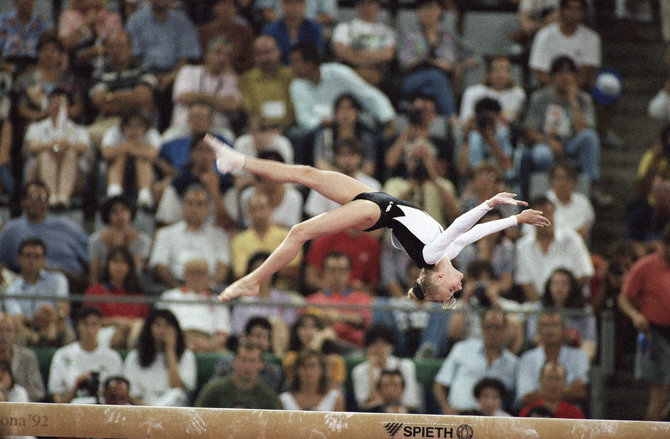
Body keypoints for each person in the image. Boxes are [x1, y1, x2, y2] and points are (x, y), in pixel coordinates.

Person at [205, 134, 550, 305]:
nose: (457, 288)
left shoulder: (431, 257)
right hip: (378, 199)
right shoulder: (451, 253)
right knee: (306, 173)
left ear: (437, 276)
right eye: (454, 291)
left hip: (375, 212)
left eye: (449, 290)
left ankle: (254, 280)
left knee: (299, 231)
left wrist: (489, 202)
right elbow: (472, 232)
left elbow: (461, 223)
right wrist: (516, 221)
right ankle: (238, 161)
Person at [521, 55, 600, 200]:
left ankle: (591, 187)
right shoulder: (540, 97)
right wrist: (549, 142)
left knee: (590, 137)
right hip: (546, 144)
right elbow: (530, 131)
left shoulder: (583, 99)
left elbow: (584, 130)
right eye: (560, 72)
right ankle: (543, 195)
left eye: (569, 72)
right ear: (551, 77)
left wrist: (573, 101)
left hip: (571, 145)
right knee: (541, 155)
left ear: (575, 77)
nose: (564, 77)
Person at [618, 224, 670, 420]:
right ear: (662, 245)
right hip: (655, 333)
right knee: (660, 392)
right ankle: (651, 432)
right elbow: (624, 298)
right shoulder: (645, 266)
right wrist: (635, 315)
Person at [0, 181, 89, 293]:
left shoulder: (67, 226)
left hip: (71, 283)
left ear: (47, 202)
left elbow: (91, 258)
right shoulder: (11, 230)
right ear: (23, 201)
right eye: (33, 197)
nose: (37, 202)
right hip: (29, 287)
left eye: (42, 198)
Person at [125, 0, 202, 130]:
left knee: (176, 89)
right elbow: (132, 54)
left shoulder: (182, 22)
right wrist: (147, 75)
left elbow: (187, 56)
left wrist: (171, 75)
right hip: (144, 70)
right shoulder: (136, 20)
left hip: (174, 71)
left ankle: (173, 131)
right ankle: (143, 131)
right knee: (143, 90)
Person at [397, 0, 478, 116]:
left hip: (442, 82)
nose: (427, 12)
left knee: (434, 85)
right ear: (418, 12)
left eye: (431, 8)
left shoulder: (449, 37)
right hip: (413, 79)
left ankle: (421, 107)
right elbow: (404, 63)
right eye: (423, 8)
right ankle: (452, 117)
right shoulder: (409, 35)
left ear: (440, 11)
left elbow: (475, 55)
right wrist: (430, 62)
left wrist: (458, 66)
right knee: (435, 76)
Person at [433, 308, 518, 414]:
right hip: (459, 414)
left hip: (494, 420)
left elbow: (513, 400)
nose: (492, 332)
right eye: (488, 327)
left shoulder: (513, 363)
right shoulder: (462, 349)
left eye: (497, 327)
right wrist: (447, 409)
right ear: (481, 328)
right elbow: (439, 385)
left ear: (505, 330)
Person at [148, 183, 231, 289]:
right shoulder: (165, 234)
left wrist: (209, 287)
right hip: (175, 287)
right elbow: (159, 265)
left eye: (200, 204)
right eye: (190, 203)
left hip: (210, 288)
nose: (194, 208)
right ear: (182, 205)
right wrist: (178, 289)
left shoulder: (220, 236)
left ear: (208, 208)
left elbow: (223, 266)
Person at [515, 196, 593, 302]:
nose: (545, 219)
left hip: (572, 304)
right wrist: (545, 306)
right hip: (539, 307)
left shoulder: (571, 239)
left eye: (548, 213)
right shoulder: (523, 246)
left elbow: (584, 273)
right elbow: (525, 283)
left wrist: (563, 301)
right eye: (540, 215)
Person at [23, 87, 91, 209]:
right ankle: (52, 196)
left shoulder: (78, 129)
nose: (57, 107)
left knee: (70, 152)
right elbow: (33, 147)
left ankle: (63, 198)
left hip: (74, 178)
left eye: (60, 104)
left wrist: (67, 144)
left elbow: (83, 148)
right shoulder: (36, 127)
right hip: (38, 175)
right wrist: (50, 145)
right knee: (45, 154)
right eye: (53, 103)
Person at [87, 29, 156, 147]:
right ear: (106, 49)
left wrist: (110, 96)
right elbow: (99, 102)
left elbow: (141, 98)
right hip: (107, 123)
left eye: (121, 46)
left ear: (130, 48)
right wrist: (131, 97)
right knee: (85, 138)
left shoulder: (143, 70)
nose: (116, 51)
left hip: (139, 124)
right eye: (112, 46)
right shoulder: (99, 73)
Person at [169, 36, 241, 138]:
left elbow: (233, 106)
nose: (222, 58)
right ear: (207, 54)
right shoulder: (188, 71)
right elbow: (183, 97)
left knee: (230, 138)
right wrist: (218, 102)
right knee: (168, 138)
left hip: (217, 130)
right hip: (184, 128)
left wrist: (198, 96)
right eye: (218, 52)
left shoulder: (230, 79)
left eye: (228, 55)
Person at [48, 306, 123, 404]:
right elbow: (57, 399)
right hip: (72, 408)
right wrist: (76, 386)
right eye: (85, 324)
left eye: (94, 324)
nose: (90, 330)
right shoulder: (62, 355)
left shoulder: (113, 357)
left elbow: (120, 397)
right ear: (78, 326)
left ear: (100, 326)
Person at [122, 308, 197, 406]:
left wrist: (170, 350)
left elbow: (177, 388)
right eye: (158, 325)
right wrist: (149, 412)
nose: (162, 331)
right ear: (149, 328)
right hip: (142, 408)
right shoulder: (134, 356)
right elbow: (132, 393)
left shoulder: (186, 356)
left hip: (173, 410)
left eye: (167, 325)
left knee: (176, 394)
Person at [515, 311, 590, 408]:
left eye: (555, 325)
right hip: (536, 416)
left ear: (564, 330)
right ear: (538, 330)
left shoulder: (579, 356)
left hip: (570, 417)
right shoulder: (527, 358)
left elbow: (581, 392)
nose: (550, 330)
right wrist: (566, 391)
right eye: (545, 326)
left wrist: (542, 393)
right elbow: (525, 398)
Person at [158, 257, 231, 352]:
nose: (197, 277)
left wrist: (208, 345)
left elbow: (223, 334)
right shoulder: (169, 296)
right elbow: (159, 325)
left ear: (209, 276)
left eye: (201, 273)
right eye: (193, 273)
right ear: (184, 274)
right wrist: (177, 342)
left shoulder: (218, 301)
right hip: (174, 342)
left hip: (208, 344)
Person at [83, 246, 149, 349]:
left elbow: (145, 320)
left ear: (129, 267)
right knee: (124, 330)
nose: (119, 267)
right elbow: (86, 320)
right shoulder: (95, 291)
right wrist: (116, 321)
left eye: (123, 262)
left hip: (134, 332)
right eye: (115, 262)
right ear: (108, 265)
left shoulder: (138, 294)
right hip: (102, 332)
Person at [526, 268, 597, 362]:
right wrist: (557, 336)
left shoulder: (585, 309)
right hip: (547, 344)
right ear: (549, 286)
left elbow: (590, 338)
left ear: (572, 287)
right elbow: (533, 336)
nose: (559, 288)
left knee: (588, 348)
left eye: (564, 284)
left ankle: (579, 371)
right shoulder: (538, 307)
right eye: (555, 284)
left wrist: (573, 338)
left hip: (575, 348)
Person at [305, 252, 373, 347]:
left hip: (353, 348)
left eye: (342, 270)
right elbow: (305, 324)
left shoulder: (361, 298)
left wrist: (339, 317)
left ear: (349, 273)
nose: (337, 275)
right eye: (332, 270)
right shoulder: (312, 300)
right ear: (324, 272)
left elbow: (363, 320)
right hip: (321, 350)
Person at [528, 0, 600, 89]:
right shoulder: (544, 35)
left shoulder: (592, 38)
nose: (573, 13)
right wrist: (559, 92)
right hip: (549, 90)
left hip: (578, 90)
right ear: (561, 10)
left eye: (577, 9)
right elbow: (541, 75)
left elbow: (584, 76)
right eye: (569, 8)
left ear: (583, 13)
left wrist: (569, 92)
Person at [352, 323, 422, 411]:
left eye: (384, 344)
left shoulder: (405, 366)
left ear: (391, 346)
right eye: (375, 344)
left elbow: (411, 401)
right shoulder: (359, 371)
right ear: (368, 346)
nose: (379, 348)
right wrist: (371, 371)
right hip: (374, 416)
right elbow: (365, 405)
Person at [194, 342, 282, 409]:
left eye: (252, 361)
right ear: (234, 361)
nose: (247, 366)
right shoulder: (214, 390)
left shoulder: (268, 397)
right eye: (243, 360)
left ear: (261, 364)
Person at [100, 109, 159, 209]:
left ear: (145, 127)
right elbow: (106, 153)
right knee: (120, 157)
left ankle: (144, 196)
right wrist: (128, 146)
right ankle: (114, 193)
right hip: (115, 168)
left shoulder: (152, 134)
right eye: (130, 126)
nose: (134, 130)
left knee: (141, 159)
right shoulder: (113, 132)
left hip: (144, 170)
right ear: (123, 127)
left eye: (138, 126)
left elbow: (152, 154)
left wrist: (131, 150)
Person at [88, 195, 152, 284]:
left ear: (130, 213)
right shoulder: (95, 240)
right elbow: (94, 276)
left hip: (132, 287)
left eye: (124, 210)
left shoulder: (142, 240)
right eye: (114, 212)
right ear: (107, 215)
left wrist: (119, 247)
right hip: (104, 286)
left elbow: (135, 273)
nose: (120, 216)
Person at [332, 0, 395, 87]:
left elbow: (387, 55)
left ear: (378, 5)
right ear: (356, 6)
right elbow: (342, 52)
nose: (366, 8)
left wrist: (357, 52)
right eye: (362, 4)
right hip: (350, 71)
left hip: (377, 74)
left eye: (370, 4)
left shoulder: (387, 31)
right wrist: (372, 58)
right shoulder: (344, 27)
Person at [239, 35, 295, 130]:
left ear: (278, 52)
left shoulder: (290, 76)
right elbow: (248, 110)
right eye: (259, 54)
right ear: (253, 56)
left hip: (287, 127)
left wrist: (281, 128)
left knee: (298, 135)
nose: (265, 58)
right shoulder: (246, 79)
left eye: (269, 52)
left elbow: (295, 108)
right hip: (259, 127)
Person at [58, 0, 122, 77]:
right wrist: (86, 24)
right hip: (75, 70)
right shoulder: (68, 16)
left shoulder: (111, 17)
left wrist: (96, 51)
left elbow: (118, 45)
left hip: (107, 68)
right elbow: (65, 45)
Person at [282, 313, 347, 390]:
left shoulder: (335, 359)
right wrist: (317, 341)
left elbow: (336, 393)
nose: (308, 331)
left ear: (320, 331)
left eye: (313, 327)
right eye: (303, 326)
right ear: (296, 331)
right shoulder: (290, 357)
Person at [459, 55, 527, 126]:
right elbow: (465, 122)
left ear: (510, 74)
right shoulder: (472, 92)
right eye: (496, 71)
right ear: (487, 74)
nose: (501, 75)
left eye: (505, 70)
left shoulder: (518, 93)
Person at [197, 0, 254, 73]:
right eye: (222, 4)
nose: (226, 8)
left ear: (235, 9)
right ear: (214, 8)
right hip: (208, 73)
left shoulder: (245, 32)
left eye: (230, 5)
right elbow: (199, 59)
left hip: (237, 75)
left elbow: (249, 61)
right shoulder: (202, 32)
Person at [546, 161, 595, 242]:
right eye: (559, 178)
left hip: (575, 251)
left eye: (568, 178)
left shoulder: (583, 203)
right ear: (551, 181)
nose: (563, 183)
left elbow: (583, 233)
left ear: (575, 181)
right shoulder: (543, 203)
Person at [262, 0, 323, 66]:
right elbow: (267, 56)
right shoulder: (270, 30)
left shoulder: (314, 28)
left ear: (304, 5)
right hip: (279, 71)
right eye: (289, 3)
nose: (293, 7)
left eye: (297, 3)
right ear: (283, 6)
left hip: (306, 70)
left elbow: (317, 53)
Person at [0, 0, 53, 76]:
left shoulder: (44, 24)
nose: (27, 1)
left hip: (35, 68)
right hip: (6, 67)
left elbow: (50, 49)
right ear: (15, 1)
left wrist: (36, 69)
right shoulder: (3, 22)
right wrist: (5, 66)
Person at [279, 349, 344, 411]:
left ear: (321, 369)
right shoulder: (284, 400)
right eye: (303, 366)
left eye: (312, 366)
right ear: (297, 370)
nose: (308, 371)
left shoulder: (334, 399)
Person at [0, 312, 45, 401]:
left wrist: (12, 393)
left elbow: (37, 392)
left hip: (23, 407)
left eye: (8, 330)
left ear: (15, 333)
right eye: (0, 330)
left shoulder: (28, 357)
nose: (3, 336)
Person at [518, 361, 585, 418]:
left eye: (557, 379)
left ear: (565, 383)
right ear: (540, 381)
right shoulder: (527, 412)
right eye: (549, 378)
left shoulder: (575, 414)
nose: (553, 384)